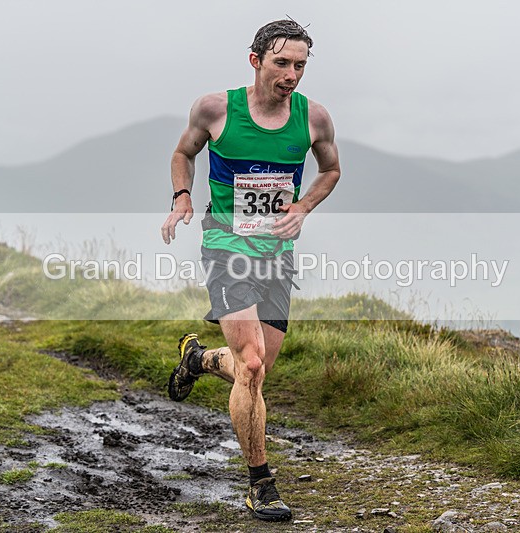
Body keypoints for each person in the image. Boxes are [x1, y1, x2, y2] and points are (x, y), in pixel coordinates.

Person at [160, 18, 341, 522]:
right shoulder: (215, 109)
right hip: (226, 246)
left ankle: (197, 359)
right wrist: (182, 198)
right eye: (282, 63)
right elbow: (183, 152)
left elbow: (331, 170)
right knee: (254, 365)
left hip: (276, 255)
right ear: (256, 60)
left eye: (300, 65)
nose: (291, 75)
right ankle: (261, 483)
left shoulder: (314, 118)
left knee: (252, 370)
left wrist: (302, 207)